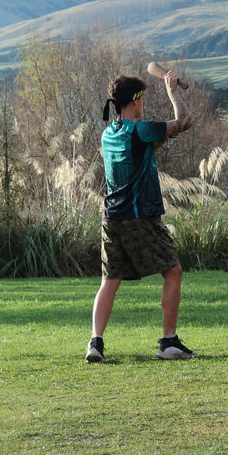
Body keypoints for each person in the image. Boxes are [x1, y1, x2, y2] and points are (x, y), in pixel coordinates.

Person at [87, 70, 194, 363]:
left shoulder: (109, 133)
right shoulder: (139, 130)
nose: (144, 103)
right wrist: (173, 92)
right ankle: (168, 342)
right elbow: (184, 122)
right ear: (135, 101)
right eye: (143, 98)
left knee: (110, 279)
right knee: (173, 271)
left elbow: (151, 144)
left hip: (111, 218)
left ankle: (95, 343)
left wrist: (161, 136)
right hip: (140, 217)